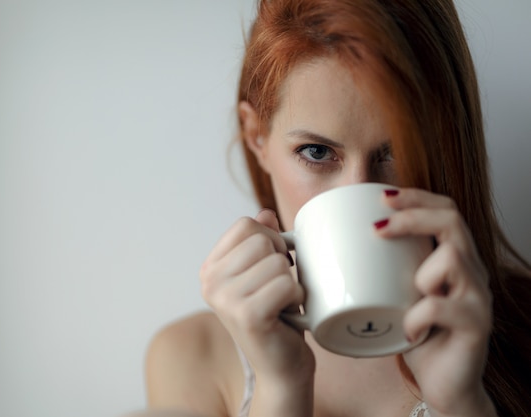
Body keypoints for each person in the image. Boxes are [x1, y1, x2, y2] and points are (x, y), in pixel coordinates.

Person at [141, 1, 531, 416]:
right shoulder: (191, 359)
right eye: (316, 151)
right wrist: (280, 387)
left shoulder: (522, 328)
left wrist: (460, 403)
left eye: (397, 151)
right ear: (257, 137)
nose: (361, 191)